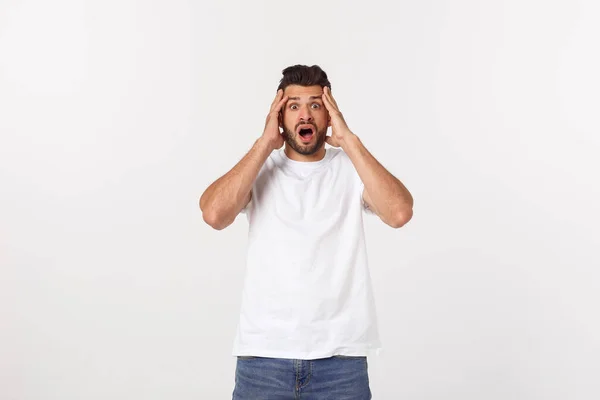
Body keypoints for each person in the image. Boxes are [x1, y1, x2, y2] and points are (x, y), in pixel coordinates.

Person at [199, 65, 413, 399]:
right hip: (263, 360)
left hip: (341, 364)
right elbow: (214, 214)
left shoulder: (351, 169)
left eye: (315, 105)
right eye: (294, 105)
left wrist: (350, 141)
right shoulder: (259, 169)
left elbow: (399, 212)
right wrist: (263, 144)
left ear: (329, 116)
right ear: (280, 116)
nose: (305, 115)